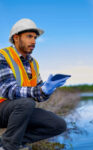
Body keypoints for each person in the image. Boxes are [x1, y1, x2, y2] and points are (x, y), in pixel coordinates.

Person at [0, 18, 69, 150]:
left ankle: (7, 143)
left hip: (20, 111)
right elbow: (9, 90)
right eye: (29, 37)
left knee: (58, 124)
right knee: (26, 103)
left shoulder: (33, 63)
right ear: (16, 38)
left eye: (35, 37)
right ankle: (9, 147)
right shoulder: (2, 56)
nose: (34, 41)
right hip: (2, 108)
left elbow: (39, 96)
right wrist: (40, 91)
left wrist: (48, 89)